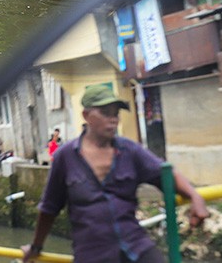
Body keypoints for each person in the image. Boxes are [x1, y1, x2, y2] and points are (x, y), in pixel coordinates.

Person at [22, 84, 209, 263]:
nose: (113, 120)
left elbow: (165, 173)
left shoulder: (130, 151)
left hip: (135, 246)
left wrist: (195, 196)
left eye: (116, 114)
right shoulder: (66, 157)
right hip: (92, 253)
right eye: (105, 113)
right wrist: (36, 247)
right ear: (86, 115)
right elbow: (49, 207)